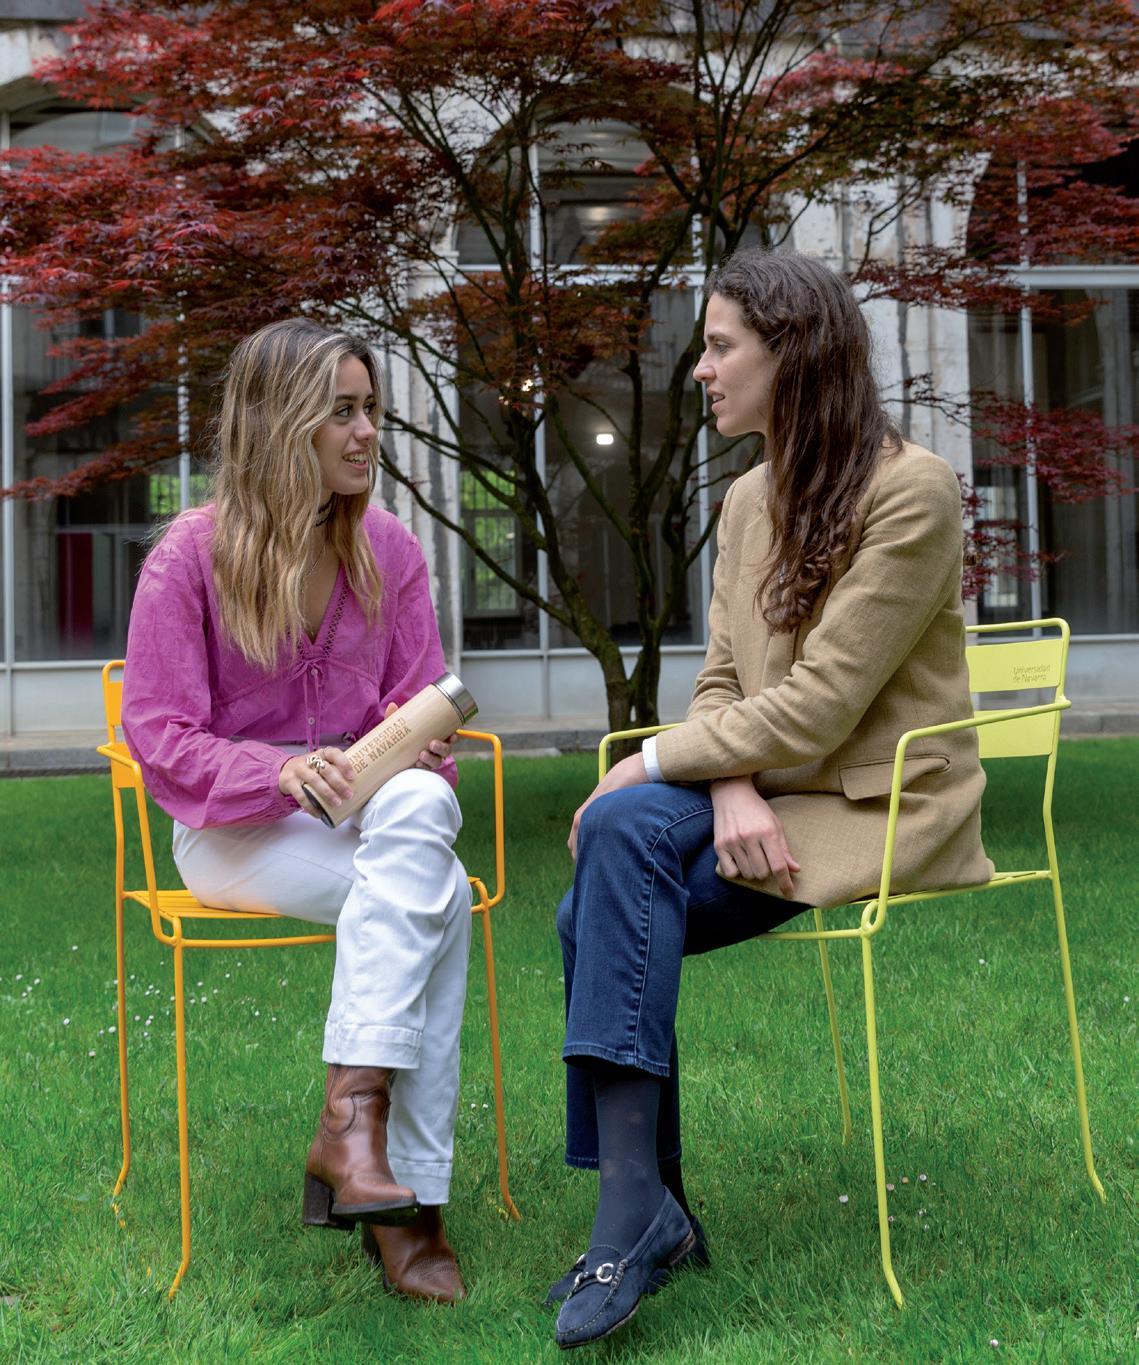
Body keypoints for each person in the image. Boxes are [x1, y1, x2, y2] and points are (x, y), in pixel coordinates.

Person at [549, 250, 994, 1348]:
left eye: (719, 346)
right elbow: (723, 683)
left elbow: (822, 704)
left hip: (869, 801)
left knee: (600, 880)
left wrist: (657, 762)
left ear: (792, 353)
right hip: (770, 784)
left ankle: (639, 1211)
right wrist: (729, 782)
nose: (699, 369)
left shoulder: (912, 492)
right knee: (616, 856)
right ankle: (643, 1214)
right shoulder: (748, 497)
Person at [121, 318, 472, 1304]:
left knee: (418, 810)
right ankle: (405, 1201)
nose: (367, 432)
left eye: (371, 410)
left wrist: (419, 742)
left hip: (364, 815)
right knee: (438, 902)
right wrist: (276, 773)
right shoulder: (189, 558)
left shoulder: (389, 551)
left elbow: (411, 707)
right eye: (342, 413)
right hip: (231, 830)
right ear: (282, 425)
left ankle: (353, 1141)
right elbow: (159, 735)